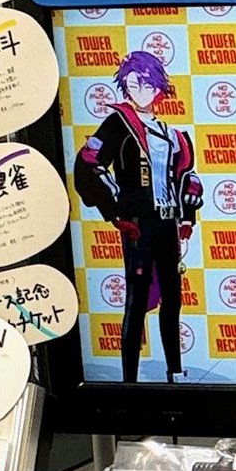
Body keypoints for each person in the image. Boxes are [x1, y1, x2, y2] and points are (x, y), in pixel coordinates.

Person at [74, 50, 203, 383]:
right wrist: (115, 210)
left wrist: (187, 218)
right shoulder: (119, 123)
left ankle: (176, 372)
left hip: (168, 225)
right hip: (139, 226)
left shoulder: (171, 133)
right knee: (136, 300)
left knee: (172, 299)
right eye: (133, 85)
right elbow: (88, 164)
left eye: (146, 84)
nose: (140, 91)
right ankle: (129, 380)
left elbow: (187, 175)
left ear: (158, 87)